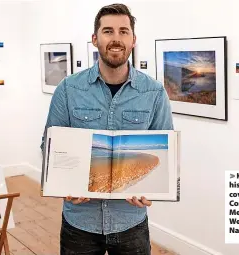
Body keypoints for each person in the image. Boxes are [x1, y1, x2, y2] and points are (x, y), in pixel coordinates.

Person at [41, 3, 174, 254]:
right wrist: (63, 185)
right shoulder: (68, 90)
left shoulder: (154, 93)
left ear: (133, 40)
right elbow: (48, 148)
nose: (116, 38)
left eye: (124, 31)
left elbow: (166, 156)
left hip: (130, 222)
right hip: (79, 222)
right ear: (95, 39)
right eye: (108, 31)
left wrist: (152, 190)